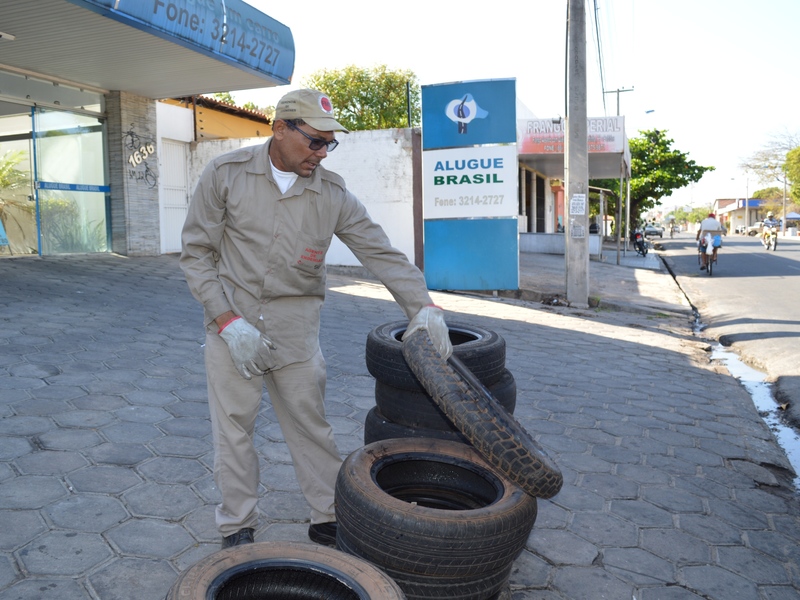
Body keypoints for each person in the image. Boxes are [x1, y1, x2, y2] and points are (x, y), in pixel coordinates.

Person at [180, 88, 453, 549]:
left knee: (311, 427)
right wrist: (227, 321)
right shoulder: (225, 175)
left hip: (295, 332)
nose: (322, 152)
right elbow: (196, 254)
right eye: (314, 141)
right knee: (233, 431)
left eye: (330, 144)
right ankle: (237, 526)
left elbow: (378, 251)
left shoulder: (332, 192)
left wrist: (422, 305)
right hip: (232, 329)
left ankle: (327, 517)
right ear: (280, 128)